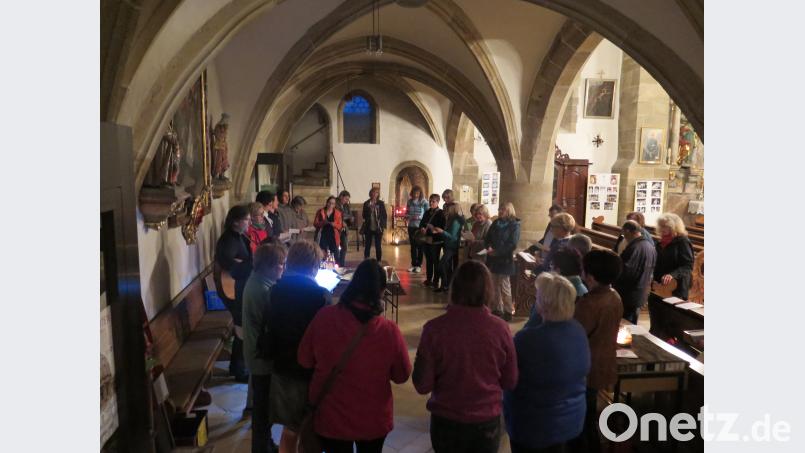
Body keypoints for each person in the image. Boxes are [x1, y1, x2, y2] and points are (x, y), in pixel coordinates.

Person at [298, 259, 412, 453]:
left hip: (331, 416)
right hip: (372, 419)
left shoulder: (324, 318)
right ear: (382, 291)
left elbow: (304, 359)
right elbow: (401, 375)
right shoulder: (389, 331)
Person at [413, 261, 518, 453]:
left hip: (447, 421)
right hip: (486, 422)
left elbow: (422, 385)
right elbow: (510, 380)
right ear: (488, 290)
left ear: (455, 289)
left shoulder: (435, 329)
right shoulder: (500, 329)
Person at [504, 273, 590, 453]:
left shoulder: (528, 339)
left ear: (544, 304)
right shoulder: (578, 330)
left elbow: (508, 378)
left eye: (537, 297)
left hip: (535, 425)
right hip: (570, 420)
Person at [265, 240, 331, 453]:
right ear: (314, 265)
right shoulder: (320, 295)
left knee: (290, 429)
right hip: (310, 369)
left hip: (283, 366)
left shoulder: (274, 290)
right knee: (311, 428)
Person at [572, 250, 623, 453]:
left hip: (586, 367)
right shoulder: (614, 295)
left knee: (583, 421)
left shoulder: (589, 303)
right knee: (589, 414)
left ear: (590, 276)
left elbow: (576, 335)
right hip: (604, 362)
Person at [243, 243, 287, 453]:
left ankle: (266, 444)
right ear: (269, 266)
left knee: (264, 407)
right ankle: (261, 448)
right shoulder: (262, 290)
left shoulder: (258, 281)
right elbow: (273, 324)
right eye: (281, 264)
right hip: (261, 358)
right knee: (262, 410)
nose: (283, 268)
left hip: (256, 353)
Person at [214, 205, 254, 382]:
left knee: (241, 326)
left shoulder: (237, 237)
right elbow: (227, 262)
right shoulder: (229, 239)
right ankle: (240, 370)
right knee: (241, 328)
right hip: (233, 288)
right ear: (236, 222)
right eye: (246, 219)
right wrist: (250, 265)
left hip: (239, 286)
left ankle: (236, 366)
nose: (249, 222)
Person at [525, 248, 587, 328]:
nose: (550, 270)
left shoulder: (553, 292)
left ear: (558, 270)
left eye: (551, 265)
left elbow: (532, 324)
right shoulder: (584, 289)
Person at [614, 220, 657, 324]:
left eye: (623, 233)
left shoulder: (634, 247)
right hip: (640, 291)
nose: (623, 236)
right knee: (632, 323)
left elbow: (626, 271)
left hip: (629, 294)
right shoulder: (649, 246)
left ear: (628, 231)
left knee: (626, 325)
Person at [484, 202, 521, 321]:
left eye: (502, 210)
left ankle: (508, 310)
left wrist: (498, 252)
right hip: (493, 259)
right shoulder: (495, 223)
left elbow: (512, 243)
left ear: (509, 211)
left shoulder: (514, 225)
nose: (500, 211)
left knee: (505, 286)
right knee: (494, 285)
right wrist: (489, 247)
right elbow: (488, 238)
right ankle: (496, 309)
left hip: (505, 259)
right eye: (499, 209)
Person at [653, 213, 694, 299]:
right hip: (659, 284)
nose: (662, 229)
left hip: (677, 286)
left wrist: (672, 275)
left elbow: (687, 266)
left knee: (671, 311)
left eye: (666, 226)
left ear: (674, 227)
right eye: (661, 226)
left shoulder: (683, 242)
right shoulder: (660, 242)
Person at [432, 203, 463, 293]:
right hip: (447, 245)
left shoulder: (455, 221)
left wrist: (441, 231)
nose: (445, 211)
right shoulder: (450, 219)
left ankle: (446, 285)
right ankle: (444, 286)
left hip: (452, 246)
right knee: (445, 266)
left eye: (447, 209)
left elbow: (453, 237)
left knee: (441, 265)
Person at [419, 194, 444, 288]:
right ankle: (429, 279)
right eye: (430, 201)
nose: (431, 203)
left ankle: (436, 280)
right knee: (428, 260)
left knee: (435, 261)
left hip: (436, 240)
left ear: (438, 202)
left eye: (433, 201)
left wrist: (433, 227)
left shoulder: (441, 213)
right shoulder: (427, 212)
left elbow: (442, 226)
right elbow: (422, 223)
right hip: (427, 239)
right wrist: (422, 228)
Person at [406, 185, 428, 273]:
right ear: (412, 193)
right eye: (415, 192)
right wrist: (408, 217)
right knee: (413, 247)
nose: (416, 194)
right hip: (411, 226)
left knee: (420, 246)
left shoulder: (424, 202)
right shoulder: (409, 202)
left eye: (418, 193)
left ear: (420, 193)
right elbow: (407, 212)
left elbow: (427, 214)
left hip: (420, 227)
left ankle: (419, 265)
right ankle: (413, 264)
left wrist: (419, 217)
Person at [361, 187, 387, 261]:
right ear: (370, 193)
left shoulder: (381, 203)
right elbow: (363, 215)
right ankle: (366, 261)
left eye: (376, 192)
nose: (374, 194)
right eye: (373, 192)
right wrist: (370, 210)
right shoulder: (366, 203)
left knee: (378, 245)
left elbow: (384, 215)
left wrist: (383, 226)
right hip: (369, 227)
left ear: (378, 194)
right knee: (367, 245)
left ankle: (379, 261)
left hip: (378, 228)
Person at [313, 196, 343, 260]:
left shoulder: (338, 213)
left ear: (334, 205)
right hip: (323, 235)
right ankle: (322, 267)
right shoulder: (320, 211)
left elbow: (340, 226)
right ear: (326, 203)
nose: (330, 205)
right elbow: (315, 223)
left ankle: (334, 267)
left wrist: (334, 224)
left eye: (332, 203)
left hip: (333, 236)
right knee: (322, 253)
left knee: (335, 254)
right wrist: (323, 223)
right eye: (329, 203)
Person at [336, 191, 353, 267]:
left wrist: (351, 219)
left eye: (348, 199)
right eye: (346, 199)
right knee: (336, 247)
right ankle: (336, 263)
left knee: (344, 247)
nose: (347, 201)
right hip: (336, 229)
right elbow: (335, 215)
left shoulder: (346, 205)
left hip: (344, 229)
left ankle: (341, 264)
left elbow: (349, 215)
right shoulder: (334, 203)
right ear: (341, 196)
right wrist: (342, 219)